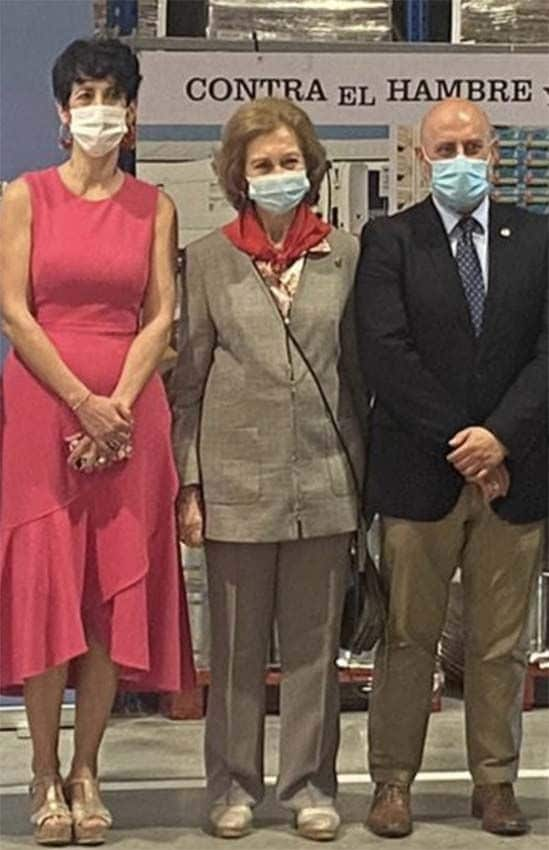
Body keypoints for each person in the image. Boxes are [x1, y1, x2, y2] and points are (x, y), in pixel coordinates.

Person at [0, 38, 195, 846]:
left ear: (134, 111)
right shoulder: (22, 196)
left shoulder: (156, 205)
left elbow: (161, 315)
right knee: (47, 587)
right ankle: (42, 773)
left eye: (112, 95)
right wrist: (82, 401)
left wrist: (117, 405)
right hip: (45, 410)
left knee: (115, 591)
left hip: (130, 413)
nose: (98, 110)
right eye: (84, 96)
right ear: (61, 110)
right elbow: (15, 311)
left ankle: (88, 770)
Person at [171, 97, 367, 841]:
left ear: (311, 170)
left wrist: (363, 483)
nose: (278, 175)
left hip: (322, 481)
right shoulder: (211, 260)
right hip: (234, 484)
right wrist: (188, 485)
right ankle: (232, 785)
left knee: (316, 648)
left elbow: (356, 372)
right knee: (235, 650)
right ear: (237, 176)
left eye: (289, 163)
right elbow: (186, 381)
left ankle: (312, 786)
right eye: (263, 165)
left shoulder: (344, 254)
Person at [355, 97, 547, 838]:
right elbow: (386, 354)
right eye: (445, 147)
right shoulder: (388, 241)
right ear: (419, 157)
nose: (459, 158)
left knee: (500, 647)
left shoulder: (536, 238)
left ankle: (494, 783)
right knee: (407, 639)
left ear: (494, 154)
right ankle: (391, 783)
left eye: (473, 145)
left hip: (516, 474)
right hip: (418, 475)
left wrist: (498, 439)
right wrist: (465, 445)